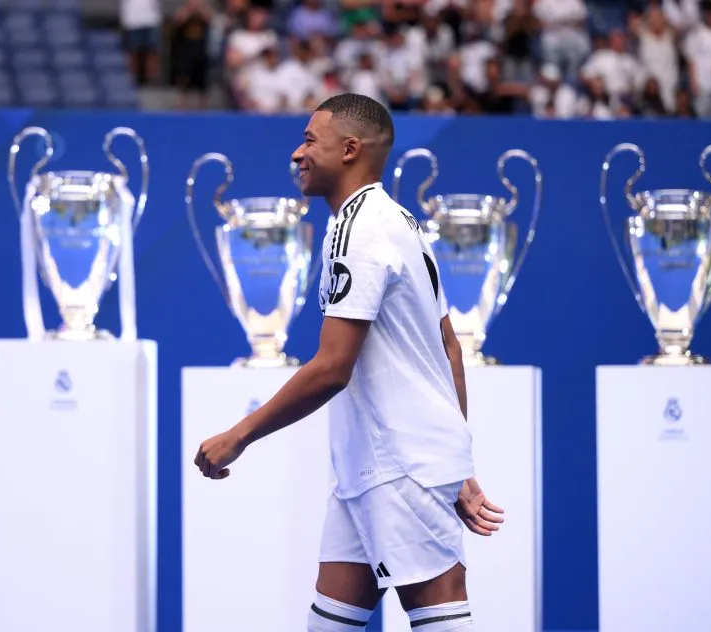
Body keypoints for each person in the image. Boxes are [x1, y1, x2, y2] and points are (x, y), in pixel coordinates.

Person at [194, 93, 503, 631]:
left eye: (310, 140)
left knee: (439, 608)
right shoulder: (397, 220)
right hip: (373, 464)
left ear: (350, 149)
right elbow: (447, 343)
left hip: (400, 463)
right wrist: (455, 455)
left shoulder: (361, 230)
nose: (298, 153)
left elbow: (333, 367)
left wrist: (238, 436)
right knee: (331, 620)